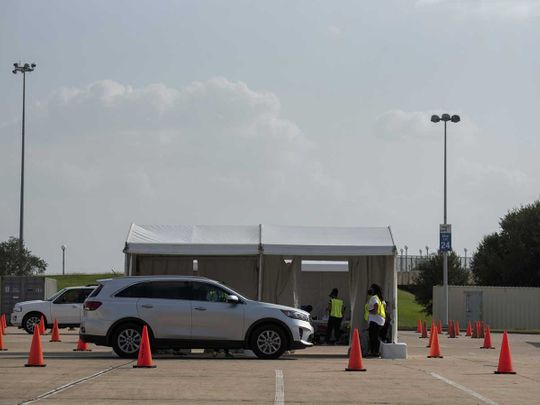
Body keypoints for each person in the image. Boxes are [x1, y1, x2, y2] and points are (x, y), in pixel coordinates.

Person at [364, 283, 386, 357]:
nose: (369, 290)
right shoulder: (380, 298)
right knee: (375, 336)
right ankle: (375, 352)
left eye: (371, 288)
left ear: (374, 290)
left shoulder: (374, 298)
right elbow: (385, 305)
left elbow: (376, 307)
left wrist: (371, 311)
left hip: (375, 320)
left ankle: (374, 352)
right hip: (380, 320)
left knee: (373, 337)